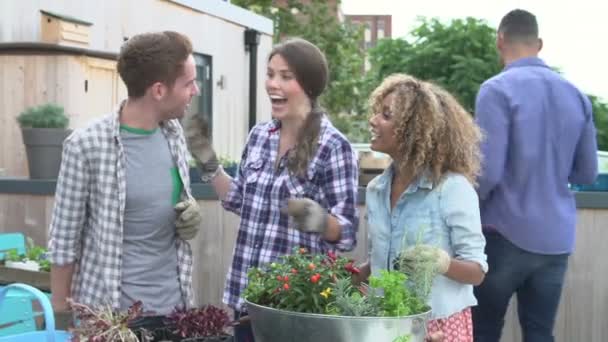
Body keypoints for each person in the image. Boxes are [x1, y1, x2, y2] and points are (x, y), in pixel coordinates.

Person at [185, 37, 359, 342]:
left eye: (285, 76)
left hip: (293, 309)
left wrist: (319, 220)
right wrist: (206, 158)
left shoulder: (334, 147)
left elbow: (346, 234)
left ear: (309, 85)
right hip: (246, 298)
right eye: (270, 74)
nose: (272, 84)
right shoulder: (259, 135)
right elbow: (239, 199)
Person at [48, 31, 203, 331]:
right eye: (189, 83)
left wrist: (191, 211)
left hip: (175, 312)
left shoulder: (173, 134)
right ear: (159, 90)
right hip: (111, 320)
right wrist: (62, 317)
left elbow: (160, 200)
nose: (195, 90)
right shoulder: (86, 145)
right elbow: (64, 241)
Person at [472, 9, 599, 342]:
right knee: (540, 333)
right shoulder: (576, 96)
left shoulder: (495, 91)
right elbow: (587, 171)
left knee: (483, 331)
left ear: (500, 40)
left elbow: (487, 174)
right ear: (539, 43)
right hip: (556, 239)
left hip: (503, 235)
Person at [355, 74, 488, 342]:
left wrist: (442, 262)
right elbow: (383, 257)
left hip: (437, 327)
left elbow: (477, 272)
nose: (373, 120)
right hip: (385, 320)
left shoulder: (452, 189)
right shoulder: (376, 190)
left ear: (412, 129)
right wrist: (349, 278)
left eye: (386, 115)